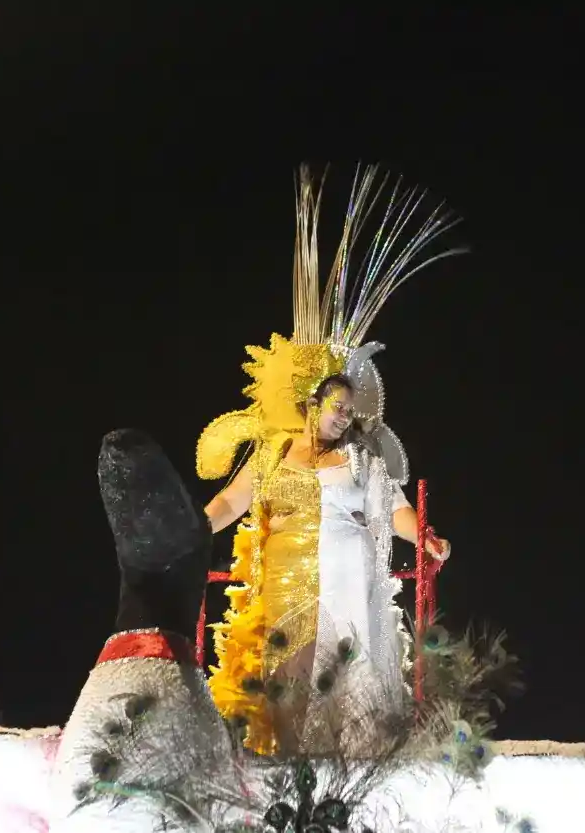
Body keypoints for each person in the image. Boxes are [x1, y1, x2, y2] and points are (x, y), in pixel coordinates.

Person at [195, 164, 461, 756]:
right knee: (286, 695)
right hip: (283, 589)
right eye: (336, 408)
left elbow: (393, 509)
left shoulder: (362, 461)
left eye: (349, 410)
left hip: (346, 584)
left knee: (347, 695)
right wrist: (192, 529)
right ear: (309, 404)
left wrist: (425, 537)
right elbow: (231, 502)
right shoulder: (271, 455)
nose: (344, 417)